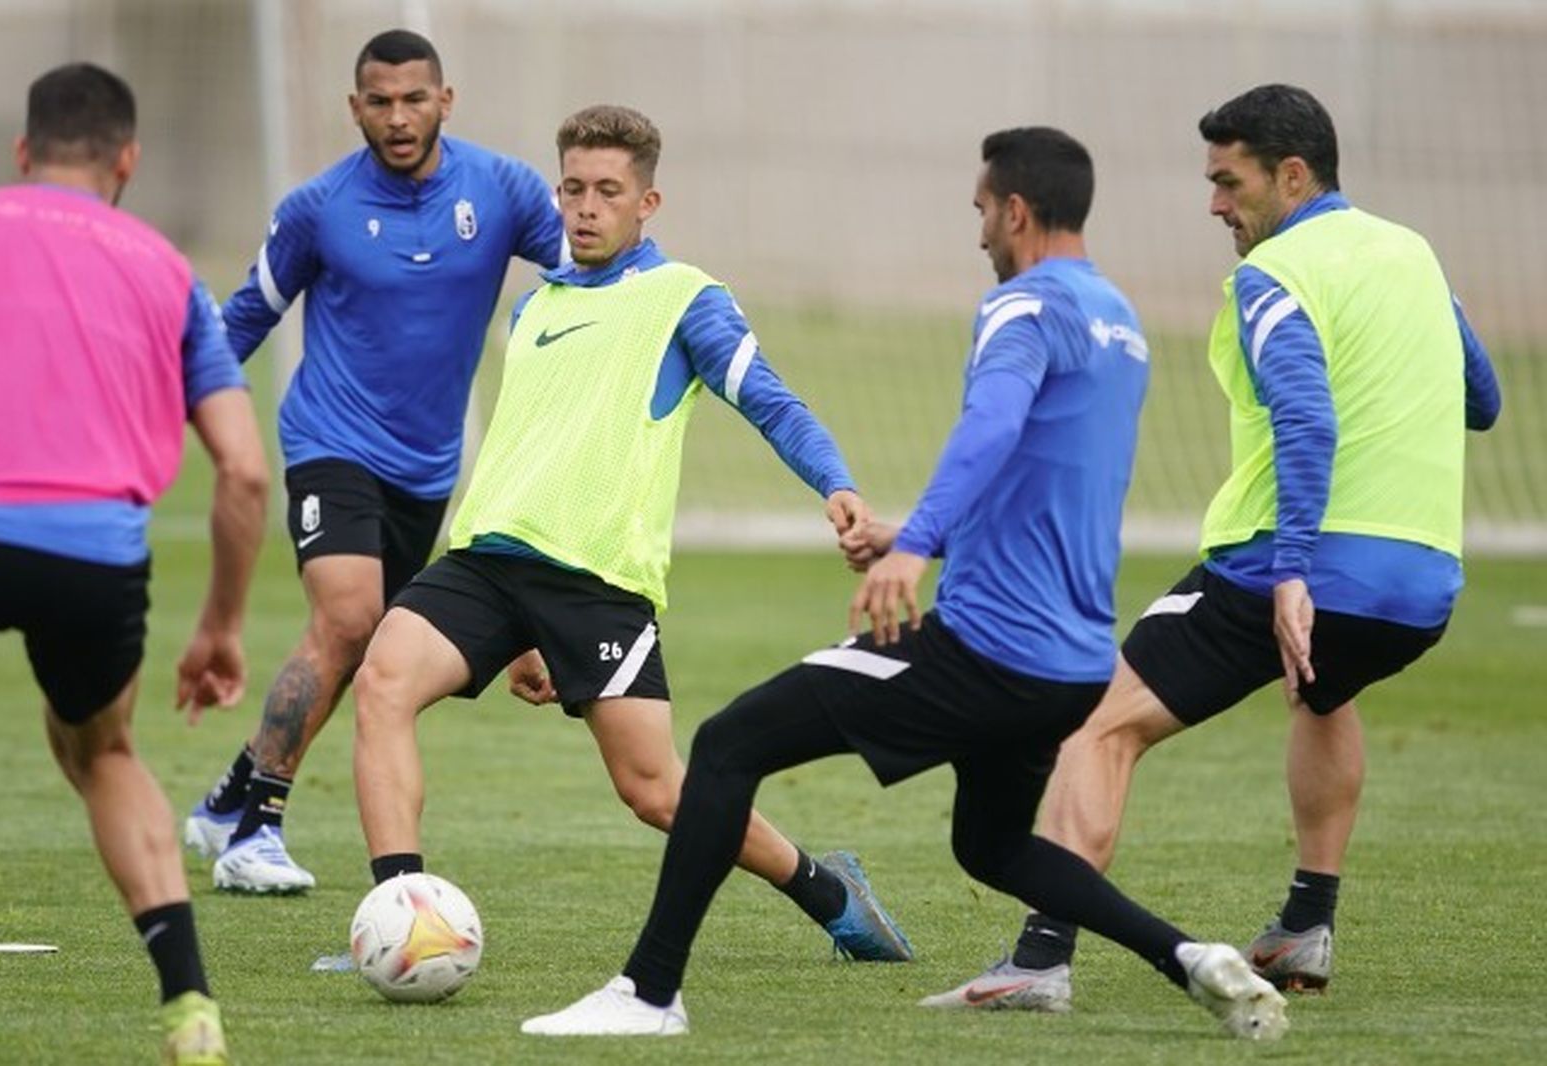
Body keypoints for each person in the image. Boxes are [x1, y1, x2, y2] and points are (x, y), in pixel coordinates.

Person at [521, 127, 1288, 1040]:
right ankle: (1189, 956)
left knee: (728, 745)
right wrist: (919, 533)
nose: (976, 236)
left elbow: (991, 430)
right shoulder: (1119, 324)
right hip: (1076, 661)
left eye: (978, 213)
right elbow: (1042, 484)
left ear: (1014, 210)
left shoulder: (1021, 307)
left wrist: (912, 547)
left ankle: (648, 995)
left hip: (986, 650)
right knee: (991, 844)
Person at [350, 104, 913, 964]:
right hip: (487, 563)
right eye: (573, 188)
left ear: (647, 203)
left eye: (607, 191)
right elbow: (522, 450)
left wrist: (835, 482)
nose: (585, 207)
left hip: (598, 585)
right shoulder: (531, 311)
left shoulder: (683, 298)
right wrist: (516, 639)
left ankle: (827, 890)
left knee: (654, 792)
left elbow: (771, 399)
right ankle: (401, 919)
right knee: (384, 681)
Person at [999, 84, 1503, 1008]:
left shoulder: (1273, 274)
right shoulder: (1415, 255)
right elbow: (1484, 400)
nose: (1215, 205)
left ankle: (1038, 960)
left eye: (1230, 183)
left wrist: (1296, 570)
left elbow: (1306, 418)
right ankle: (1307, 923)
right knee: (1324, 687)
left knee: (1096, 723)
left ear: (1293, 175)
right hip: (1423, 583)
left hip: (1299, 563)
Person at [182, 29, 567, 894]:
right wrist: (166, 409)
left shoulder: (502, 190)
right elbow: (242, 319)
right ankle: (255, 832)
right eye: (380, 102)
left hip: (429, 470)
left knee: (349, 645)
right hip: (331, 444)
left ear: (446, 100)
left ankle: (225, 800)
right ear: (355, 107)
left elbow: (589, 271)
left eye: (414, 99)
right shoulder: (319, 207)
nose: (399, 117)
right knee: (351, 621)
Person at [0, 64, 268, 1065]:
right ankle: (190, 1008)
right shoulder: (170, 272)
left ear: (21, 153)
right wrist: (218, 627)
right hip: (93, 555)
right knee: (104, 753)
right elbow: (246, 473)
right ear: (126, 159)